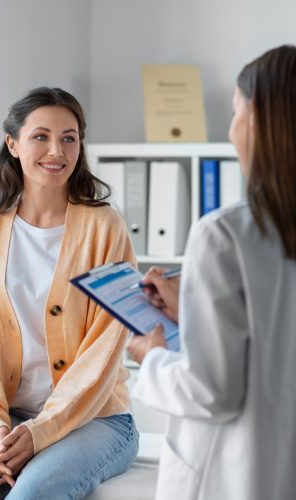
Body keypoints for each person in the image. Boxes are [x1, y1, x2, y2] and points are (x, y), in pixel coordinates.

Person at [0, 87, 139, 500]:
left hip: (97, 420)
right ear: (13, 144)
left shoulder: (107, 228)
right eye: (41, 136)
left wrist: (41, 431)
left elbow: (107, 346)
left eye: (69, 137)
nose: (56, 150)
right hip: (3, 417)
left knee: (32, 493)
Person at [127, 45, 296, 500]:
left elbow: (212, 390)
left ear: (258, 119)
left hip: (239, 475)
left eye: (236, 112)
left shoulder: (224, 234)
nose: (231, 128)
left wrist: (152, 357)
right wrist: (194, 313)